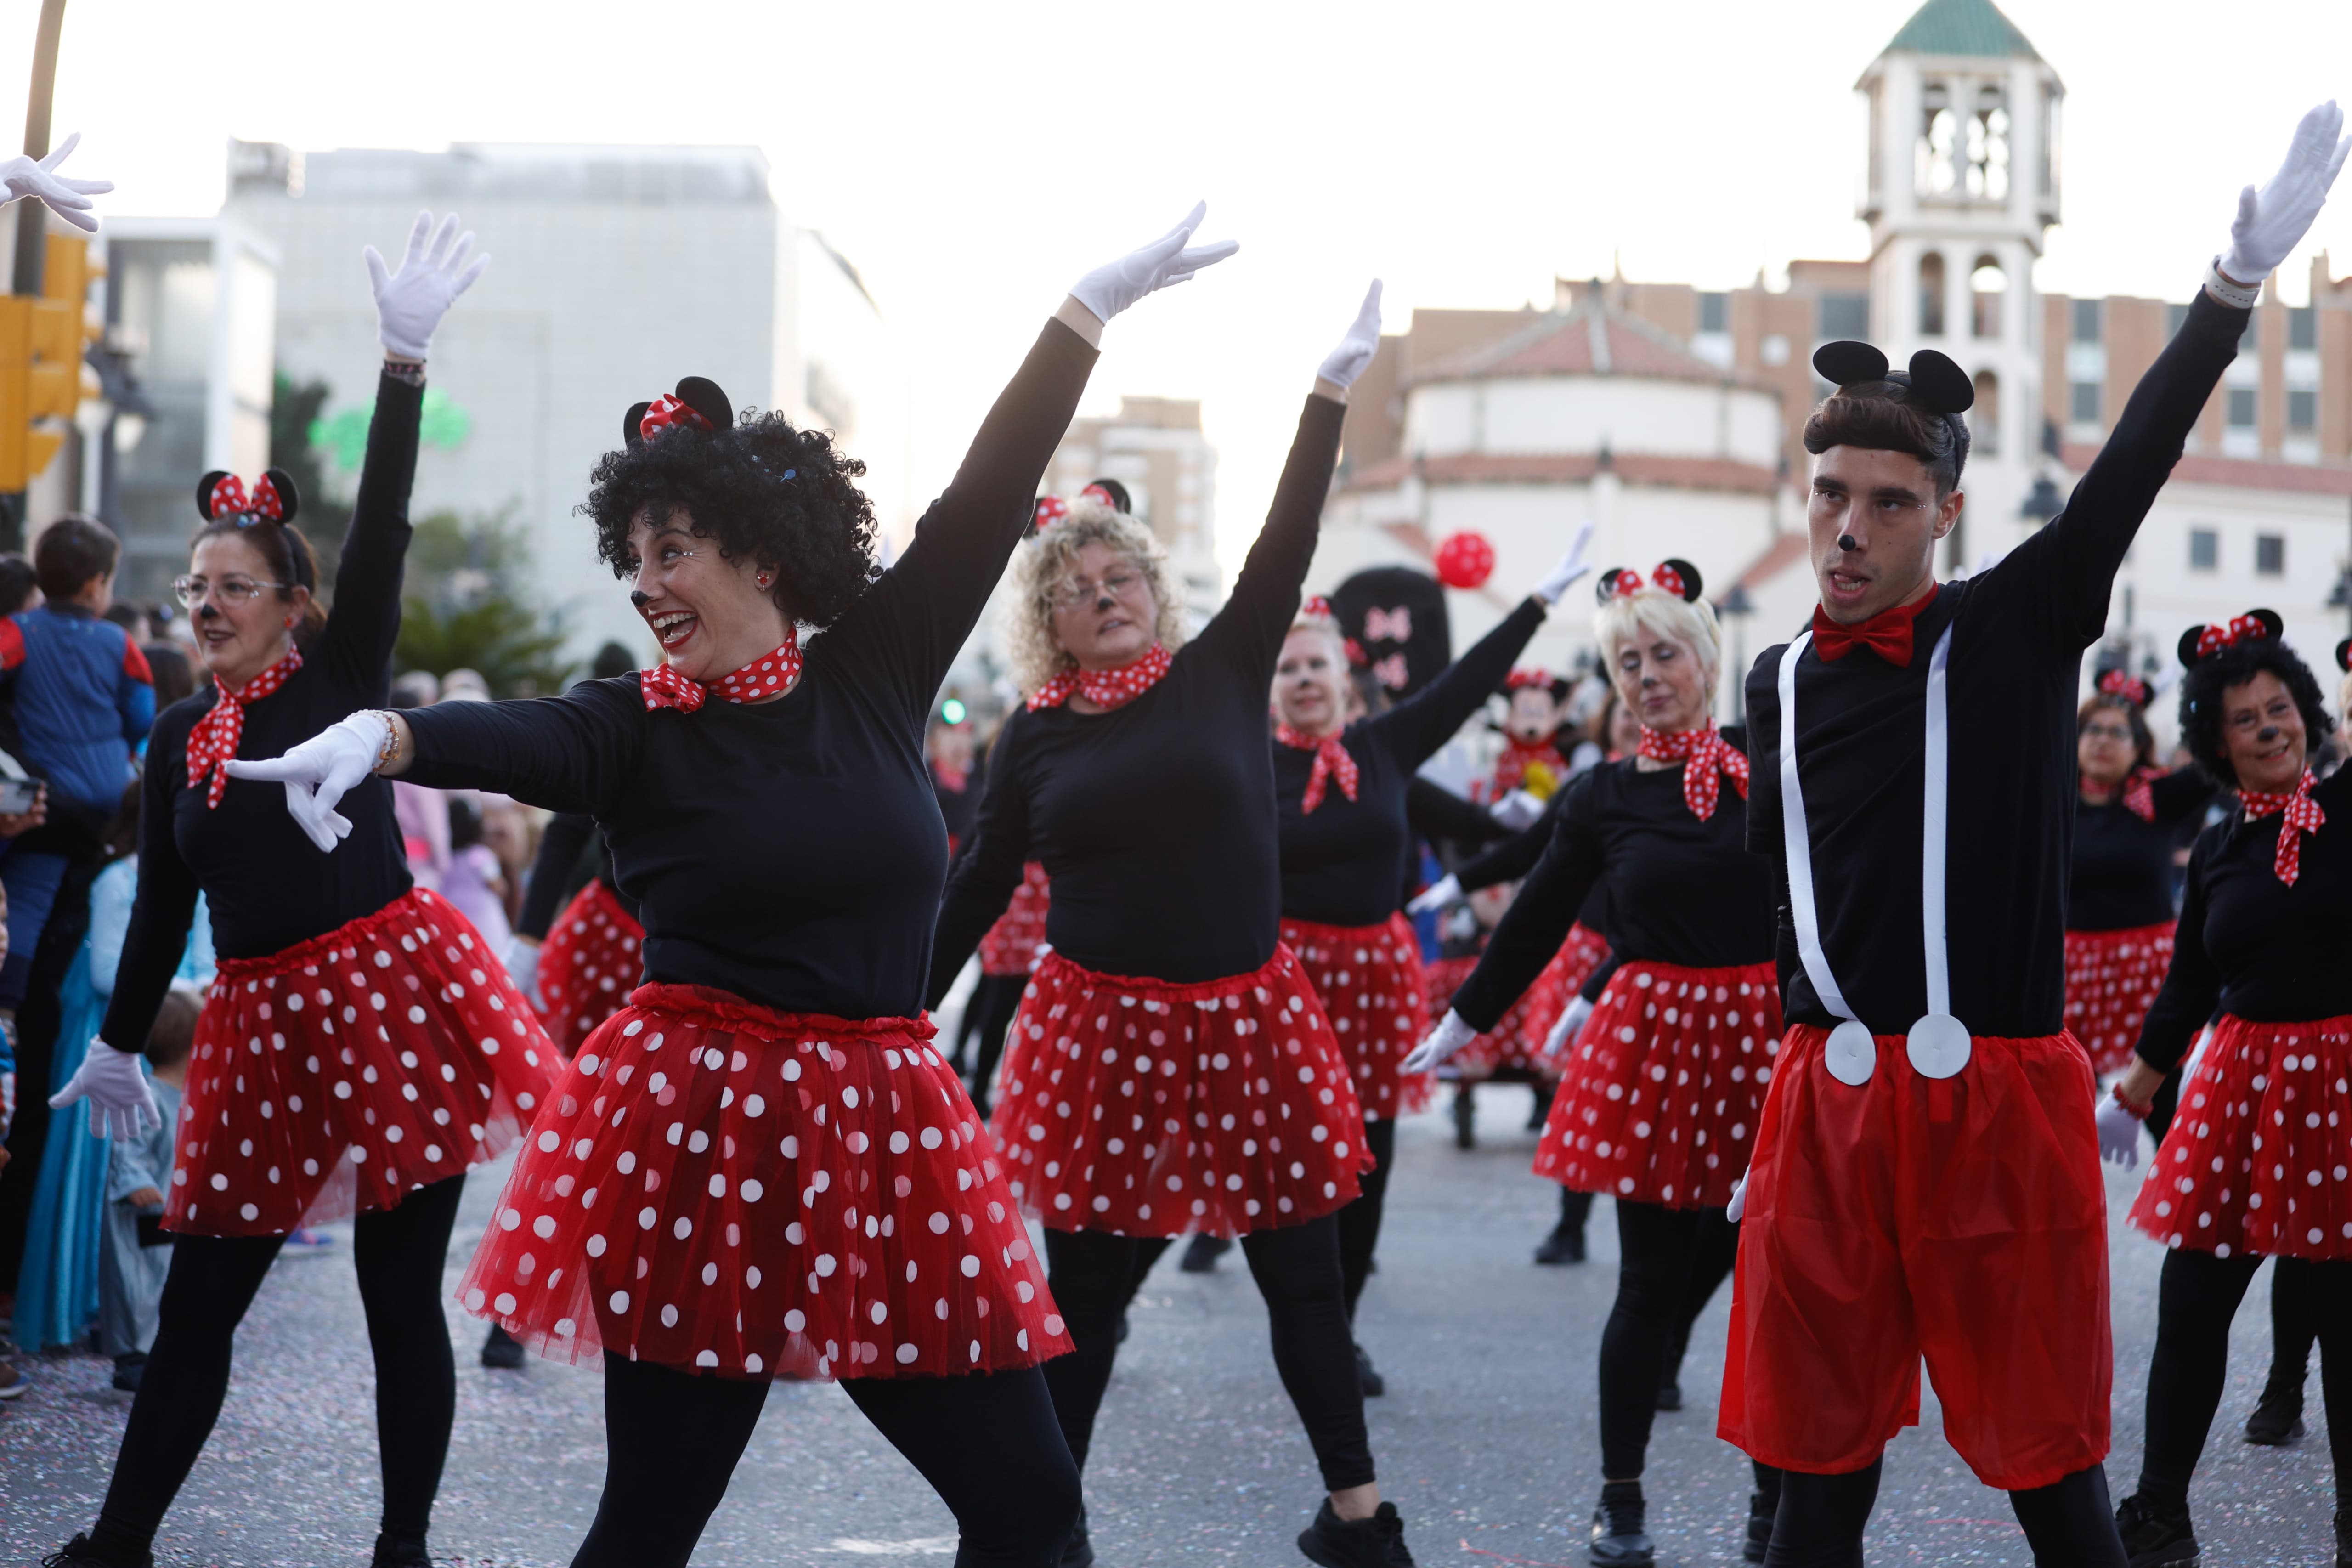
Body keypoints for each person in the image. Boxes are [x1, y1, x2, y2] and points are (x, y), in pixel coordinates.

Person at [228, 206, 1238, 1568]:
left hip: (885, 1135)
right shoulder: (633, 723)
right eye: (633, 558)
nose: (646, 584)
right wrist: (387, 737)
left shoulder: (873, 670)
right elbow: (519, 734)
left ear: (763, 555)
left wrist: (1080, 312)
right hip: (702, 1145)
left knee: (1029, 1502)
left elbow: (987, 494)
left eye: (674, 551)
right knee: (650, 1522)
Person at [1719, 105, 2346, 1568]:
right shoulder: (1774, 682)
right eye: (1828, 496)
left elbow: (2131, 460)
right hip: (1826, 1101)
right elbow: (1790, 885)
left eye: (1886, 502)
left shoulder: (2003, 630)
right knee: (1817, 1478)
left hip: (1993, 1100)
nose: (1848, 529)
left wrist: (2226, 292)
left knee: (2047, 1475)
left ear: (1942, 513)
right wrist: (1782, 1073)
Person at [40, 211, 543, 1568]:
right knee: (201, 1303)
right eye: (194, 583)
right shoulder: (174, 736)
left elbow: (379, 528)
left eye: (234, 586)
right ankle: (120, 1539)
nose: (204, 602)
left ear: (293, 607)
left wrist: (401, 365)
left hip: (388, 1002)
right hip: (259, 1028)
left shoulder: (338, 679)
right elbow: (153, 908)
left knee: (396, 1305)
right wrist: (112, 1042)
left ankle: (401, 1549)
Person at [931, 283, 1418, 1568]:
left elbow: (1286, 537)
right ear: (1049, 621)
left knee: (1302, 1283)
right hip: (1105, 1034)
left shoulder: (1224, 666)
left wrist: (1326, 394)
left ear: (1151, 582)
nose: (1107, 593)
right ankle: (1043, 1528)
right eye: (1078, 588)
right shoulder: (1033, 735)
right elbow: (978, 884)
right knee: (1085, 1304)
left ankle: (1358, 1520)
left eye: (1121, 573)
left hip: (1253, 1019)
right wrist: (886, 1002)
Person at [1406, 560, 1781, 1566]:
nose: (1648, 673)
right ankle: (1620, 1496)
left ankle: (1771, 1496)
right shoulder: (1602, 792)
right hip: (1655, 1040)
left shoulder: (1773, 763)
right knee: (1647, 1284)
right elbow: (1534, 915)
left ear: (1705, 652)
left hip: (1766, 1040)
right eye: (1627, 659)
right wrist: (1465, 1018)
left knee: (1771, 1282)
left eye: (1663, 651)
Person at [1272, 530, 1592, 1396]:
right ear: (1271, 688)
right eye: (1287, 668)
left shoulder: (1384, 748)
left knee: (1367, 1161)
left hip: (1374, 980)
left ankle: (1339, 1328)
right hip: (1283, 987)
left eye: (1317, 666)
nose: (1304, 680)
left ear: (1348, 677)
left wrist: (1535, 605)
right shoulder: (1247, 764)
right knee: (1290, 1162)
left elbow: (1466, 686)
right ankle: (1291, 1315)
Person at [2098, 614, 2352, 1568]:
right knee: (2191, 1303)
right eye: (2244, 718)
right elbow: (2186, 989)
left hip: (2342, 1086)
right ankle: (2158, 1514)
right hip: (2240, 1088)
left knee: (2346, 1320)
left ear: (2307, 712)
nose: (2269, 726)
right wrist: (2130, 1092)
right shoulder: (2213, 854)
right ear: (2215, 742)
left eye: (2279, 707)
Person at [2065, 668, 2213, 1075]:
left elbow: (2220, 757)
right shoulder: (2051, 801)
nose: (2102, 740)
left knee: (2162, 1096)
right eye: (2092, 729)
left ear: (2138, 747)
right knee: (2069, 1097)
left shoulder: (2156, 798)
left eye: (2118, 733)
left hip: (2149, 974)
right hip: (2071, 975)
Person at [102, 988, 197, 1393]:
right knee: (135, 1283)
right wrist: (135, 1180)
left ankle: (159, 1348)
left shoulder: (188, 1098)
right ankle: (131, 1356)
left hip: (172, 1214)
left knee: (167, 1281)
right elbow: (125, 1146)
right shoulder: (146, 1096)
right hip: (143, 1212)